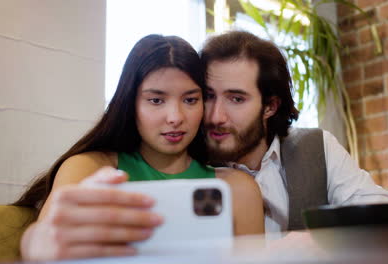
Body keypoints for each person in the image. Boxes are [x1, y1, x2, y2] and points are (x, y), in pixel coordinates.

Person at [14, 34, 264, 260]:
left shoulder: (238, 189)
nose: (175, 117)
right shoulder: (91, 170)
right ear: (130, 104)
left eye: (190, 100)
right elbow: (45, 245)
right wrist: (35, 240)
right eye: (156, 100)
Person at [199, 30, 388, 233]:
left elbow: (387, 220)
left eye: (236, 99)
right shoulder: (188, 167)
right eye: (208, 96)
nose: (216, 117)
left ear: (270, 106)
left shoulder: (316, 148)